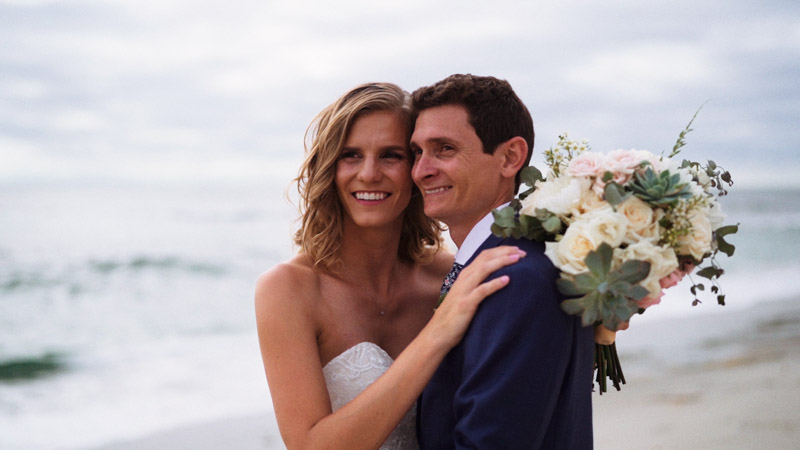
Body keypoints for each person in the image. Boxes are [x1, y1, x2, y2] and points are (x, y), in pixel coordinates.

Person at [254, 82, 526, 449]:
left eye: (391, 156)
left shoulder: (451, 277)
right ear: (329, 168)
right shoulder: (289, 289)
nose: (368, 173)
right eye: (350, 155)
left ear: (417, 168)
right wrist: (436, 334)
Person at [410, 74, 595, 449]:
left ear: (510, 157)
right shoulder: (511, 259)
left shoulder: (517, 278)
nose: (420, 170)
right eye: (417, 152)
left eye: (444, 149)